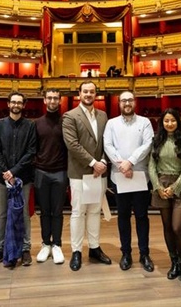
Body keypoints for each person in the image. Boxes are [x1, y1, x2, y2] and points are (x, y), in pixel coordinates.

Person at [62, 80, 110, 271]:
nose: (89, 94)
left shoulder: (103, 115)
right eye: (85, 92)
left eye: (92, 92)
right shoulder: (70, 116)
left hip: (99, 173)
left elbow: (108, 142)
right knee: (78, 212)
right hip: (80, 173)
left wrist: (104, 162)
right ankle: (76, 251)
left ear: (95, 94)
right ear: (79, 94)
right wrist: (93, 163)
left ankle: (94, 248)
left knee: (94, 211)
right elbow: (72, 145)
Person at [103, 91, 154, 272]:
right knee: (123, 216)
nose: (127, 103)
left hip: (140, 176)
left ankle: (144, 253)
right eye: (123, 100)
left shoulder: (145, 122)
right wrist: (123, 165)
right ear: (119, 103)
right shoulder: (111, 123)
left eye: (130, 100)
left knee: (142, 216)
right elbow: (108, 146)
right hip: (120, 176)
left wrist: (130, 161)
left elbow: (147, 144)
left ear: (134, 102)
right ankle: (126, 253)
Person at [0, 91, 37, 268]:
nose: (16, 105)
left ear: (23, 105)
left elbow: (31, 152)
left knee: (24, 215)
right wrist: (6, 172)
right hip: (2, 179)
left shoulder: (30, 126)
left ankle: (25, 249)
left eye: (19, 103)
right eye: (13, 102)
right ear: (8, 104)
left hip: (23, 178)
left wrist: (14, 171)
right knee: (2, 214)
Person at [149, 108, 181, 287]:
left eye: (173, 120)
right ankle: (174, 262)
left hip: (180, 187)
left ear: (178, 122)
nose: (169, 124)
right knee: (167, 227)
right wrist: (158, 187)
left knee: (177, 227)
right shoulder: (157, 140)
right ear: (162, 123)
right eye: (166, 121)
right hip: (160, 184)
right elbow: (151, 166)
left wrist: (174, 187)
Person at [34, 89, 68, 265]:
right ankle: (45, 243)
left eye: (56, 98)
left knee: (57, 211)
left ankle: (57, 244)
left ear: (60, 100)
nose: (53, 100)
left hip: (61, 172)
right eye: (50, 98)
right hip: (41, 171)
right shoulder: (37, 123)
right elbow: (34, 149)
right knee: (44, 211)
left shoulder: (66, 122)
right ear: (45, 100)